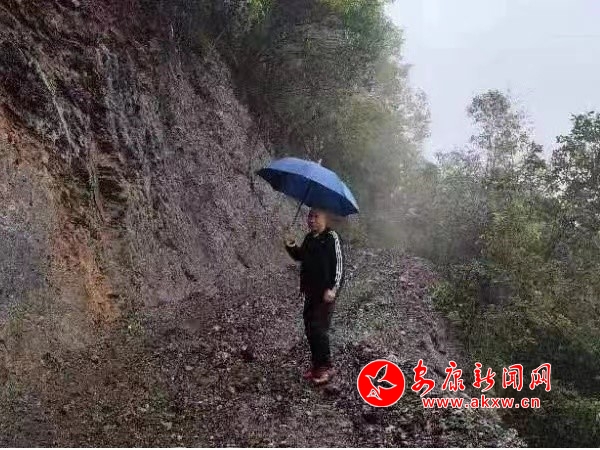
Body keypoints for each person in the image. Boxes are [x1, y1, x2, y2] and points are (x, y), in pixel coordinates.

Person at [284, 208, 344, 385]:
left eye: (316, 216)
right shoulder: (310, 238)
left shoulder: (332, 237)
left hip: (326, 294)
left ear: (325, 218)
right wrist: (291, 245)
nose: (311, 220)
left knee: (319, 329)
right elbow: (301, 257)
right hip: (310, 292)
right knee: (310, 328)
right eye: (310, 216)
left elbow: (339, 266)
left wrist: (333, 289)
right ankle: (317, 366)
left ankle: (327, 368)